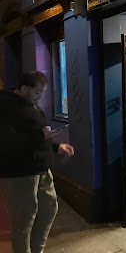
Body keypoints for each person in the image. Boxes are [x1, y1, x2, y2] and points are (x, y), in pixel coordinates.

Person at [0, 71, 74, 253]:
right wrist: (41, 135)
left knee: (49, 209)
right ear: (24, 88)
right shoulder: (5, 106)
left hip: (41, 169)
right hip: (19, 173)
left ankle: (37, 250)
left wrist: (56, 146)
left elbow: (39, 133)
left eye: (43, 92)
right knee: (24, 219)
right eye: (38, 92)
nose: (40, 96)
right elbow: (7, 142)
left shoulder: (31, 104)